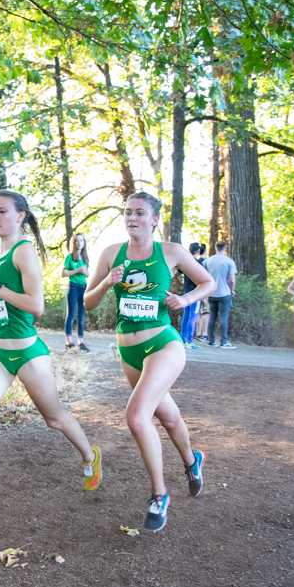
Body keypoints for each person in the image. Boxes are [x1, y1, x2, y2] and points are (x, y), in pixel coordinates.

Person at [0, 190, 102, 544]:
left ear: (20, 216)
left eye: (2, 211)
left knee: (54, 417)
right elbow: (5, 303)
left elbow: (36, 306)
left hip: (29, 352)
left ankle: (89, 453)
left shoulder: (23, 251)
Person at [84, 192, 214, 532]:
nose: (132, 218)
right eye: (127, 212)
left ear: (154, 219)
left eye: (140, 213)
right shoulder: (111, 254)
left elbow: (209, 282)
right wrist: (105, 282)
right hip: (127, 351)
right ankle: (192, 460)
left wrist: (184, 299)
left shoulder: (170, 252)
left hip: (163, 343)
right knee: (167, 417)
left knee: (137, 415)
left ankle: (159, 495)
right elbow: (87, 302)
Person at [204, 242, 237, 348]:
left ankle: (211, 341)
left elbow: (203, 277)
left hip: (211, 293)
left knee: (212, 317)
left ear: (215, 247)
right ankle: (224, 342)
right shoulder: (229, 261)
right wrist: (232, 290)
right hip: (224, 293)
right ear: (225, 248)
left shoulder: (207, 261)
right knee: (223, 318)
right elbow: (231, 280)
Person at [62, 233, 90, 352]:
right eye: (77, 241)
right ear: (74, 243)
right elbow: (64, 273)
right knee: (71, 314)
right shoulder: (69, 257)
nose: (79, 243)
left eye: (82, 241)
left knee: (81, 315)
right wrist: (79, 270)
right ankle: (68, 341)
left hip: (83, 287)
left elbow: (88, 274)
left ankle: (81, 342)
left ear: (84, 243)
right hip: (73, 287)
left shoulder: (85, 258)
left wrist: (84, 271)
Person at [178, 242, 204, 349]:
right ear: (198, 251)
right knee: (192, 317)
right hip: (195, 294)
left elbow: (178, 271)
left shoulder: (185, 262)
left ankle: (183, 339)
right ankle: (188, 341)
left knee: (186, 316)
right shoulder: (198, 264)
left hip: (186, 293)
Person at [193, 243, 210, 342]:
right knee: (205, 312)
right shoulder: (205, 262)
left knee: (198, 312)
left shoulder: (196, 261)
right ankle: (203, 333)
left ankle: (196, 333)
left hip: (196, 289)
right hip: (204, 289)